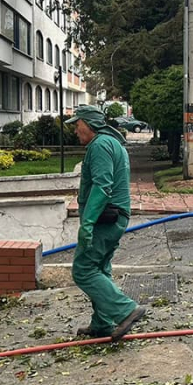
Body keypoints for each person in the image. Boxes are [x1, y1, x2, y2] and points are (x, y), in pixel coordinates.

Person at [65, 105, 146, 340]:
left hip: (105, 219)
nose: (75, 130)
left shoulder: (99, 146)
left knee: (83, 270)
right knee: (100, 269)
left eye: (77, 124)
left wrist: (87, 223)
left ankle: (125, 310)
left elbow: (102, 185)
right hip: (115, 217)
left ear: (89, 124)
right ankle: (102, 323)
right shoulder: (112, 143)